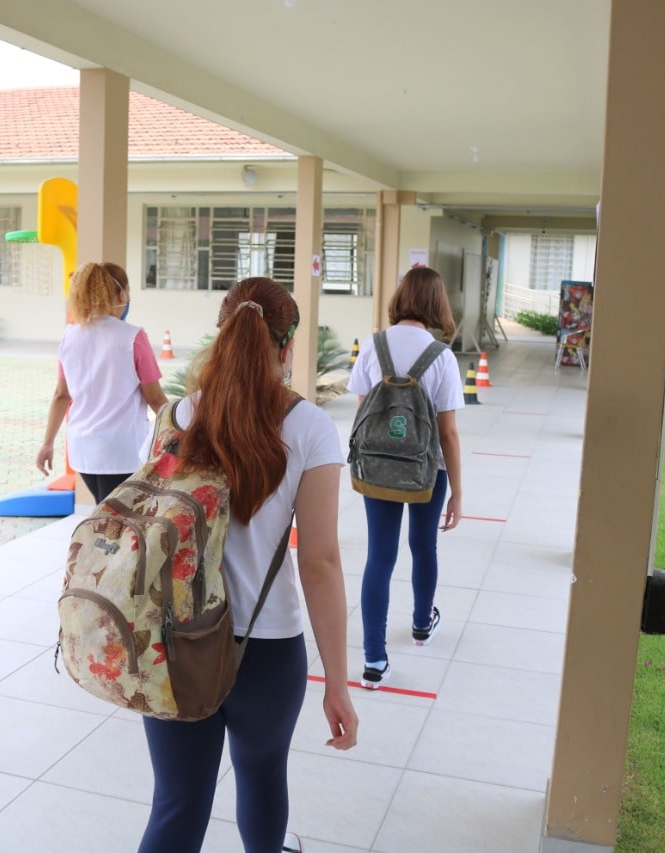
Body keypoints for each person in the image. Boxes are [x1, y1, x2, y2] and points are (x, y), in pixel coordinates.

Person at [138, 277, 358, 853]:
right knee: (262, 779)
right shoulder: (308, 428)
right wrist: (337, 681)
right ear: (286, 348)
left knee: (178, 803)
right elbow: (320, 563)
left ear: (222, 335)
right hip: (266, 649)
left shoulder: (178, 415)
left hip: (177, 640)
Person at [348, 265, 464, 689]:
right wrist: (457, 492)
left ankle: (374, 661)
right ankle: (421, 624)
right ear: (437, 304)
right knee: (423, 545)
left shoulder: (372, 347)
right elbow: (448, 432)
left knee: (379, 557)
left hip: (378, 466)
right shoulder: (442, 357)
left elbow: (366, 411)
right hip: (425, 469)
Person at [36, 262, 168, 502]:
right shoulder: (133, 337)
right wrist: (182, 432)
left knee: (103, 513)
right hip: (122, 448)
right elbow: (156, 398)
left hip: (82, 447)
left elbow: (61, 395)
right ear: (121, 294)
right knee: (119, 523)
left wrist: (47, 444)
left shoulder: (69, 336)